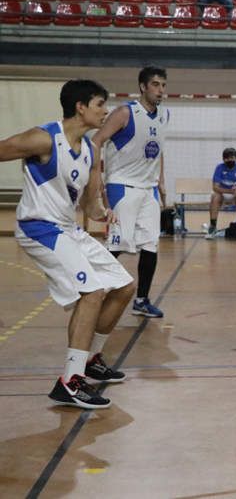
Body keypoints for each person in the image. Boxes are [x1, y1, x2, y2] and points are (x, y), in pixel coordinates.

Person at [0, 79, 135, 409]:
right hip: (39, 228)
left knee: (123, 287)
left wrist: (104, 213)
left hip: (68, 229)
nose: (105, 112)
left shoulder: (90, 150)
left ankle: (90, 360)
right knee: (91, 292)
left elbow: (89, 205)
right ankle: (70, 381)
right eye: (100, 105)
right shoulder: (43, 138)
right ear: (81, 107)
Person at [92, 66, 169, 319]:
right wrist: (96, 178)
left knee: (150, 244)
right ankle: (93, 291)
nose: (160, 90)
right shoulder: (126, 112)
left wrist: (161, 181)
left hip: (148, 190)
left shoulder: (164, 115)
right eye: (156, 85)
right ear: (143, 87)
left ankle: (142, 300)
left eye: (163, 85)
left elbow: (159, 149)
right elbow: (97, 140)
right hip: (122, 186)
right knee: (118, 242)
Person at [207, 147, 236, 240]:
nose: (230, 160)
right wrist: (229, 191)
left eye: (232, 158)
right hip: (223, 193)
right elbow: (215, 187)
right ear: (223, 159)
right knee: (215, 196)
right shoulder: (219, 168)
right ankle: (213, 227)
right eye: (227, 158)